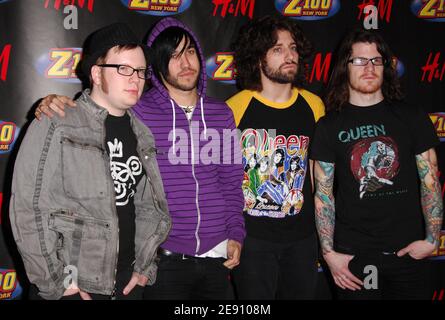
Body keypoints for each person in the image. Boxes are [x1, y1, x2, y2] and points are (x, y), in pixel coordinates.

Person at [34, 17, 245, 300]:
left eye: (190, 52)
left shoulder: (222, 114)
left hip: (217, 257)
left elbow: (232, 182)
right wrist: (51, 102)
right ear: (157, 66)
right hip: (164, 258)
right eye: (173, 55)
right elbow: (96, 110)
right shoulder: (138, 111)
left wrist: (236, 232)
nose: (185, 62)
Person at [9, 23, 171, 300]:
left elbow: (147, 208)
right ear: (96, 73)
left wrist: (144, 268)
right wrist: (59, 285)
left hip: (127, 285)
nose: (136, 79)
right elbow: (29, 208)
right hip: (75, 286)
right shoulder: (57, 122)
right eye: (124, 69)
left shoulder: (142, 133)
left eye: (141, 72)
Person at [311, 28, 443, 299]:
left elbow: (430, 180)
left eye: (376, 60)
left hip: (408, 257)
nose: (368, 67)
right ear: (345, 67)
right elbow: (322, 195)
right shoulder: (329, 126)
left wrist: (432, 239)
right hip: (353, 259)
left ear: (385, 66)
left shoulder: (412, 117)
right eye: (359, 60)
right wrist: (329, 254)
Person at [226, 15, 325, 299]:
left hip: (303, 239)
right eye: (278, 49)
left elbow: (319, 177)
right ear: (258, 58)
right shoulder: (235, 108)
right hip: (252, 241)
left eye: (293, 48)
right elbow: (221, 178)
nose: (290, 55)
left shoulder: (313, 105)